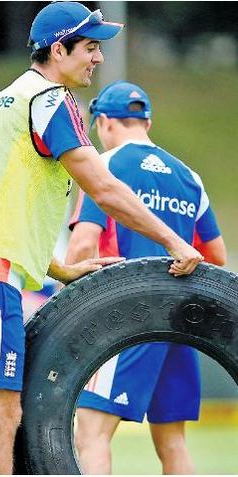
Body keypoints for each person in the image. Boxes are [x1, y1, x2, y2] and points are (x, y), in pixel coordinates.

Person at [0, 2, 204, 475]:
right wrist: (174, 241)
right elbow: (104, 188)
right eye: (90, 47)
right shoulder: (50, 101)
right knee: (0, 414)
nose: (99, 58)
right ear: (58, 49)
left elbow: (0, 205)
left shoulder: (11, 97)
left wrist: (59, 269)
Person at [66, 80, 226, 475]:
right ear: (147, 123)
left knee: (92, 433)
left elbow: (83, 247)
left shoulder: (103, 167)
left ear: (102, 122)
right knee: (172, 442)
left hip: (125, 318)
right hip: (181, 317)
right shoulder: (190, 176)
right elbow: (216, 257)